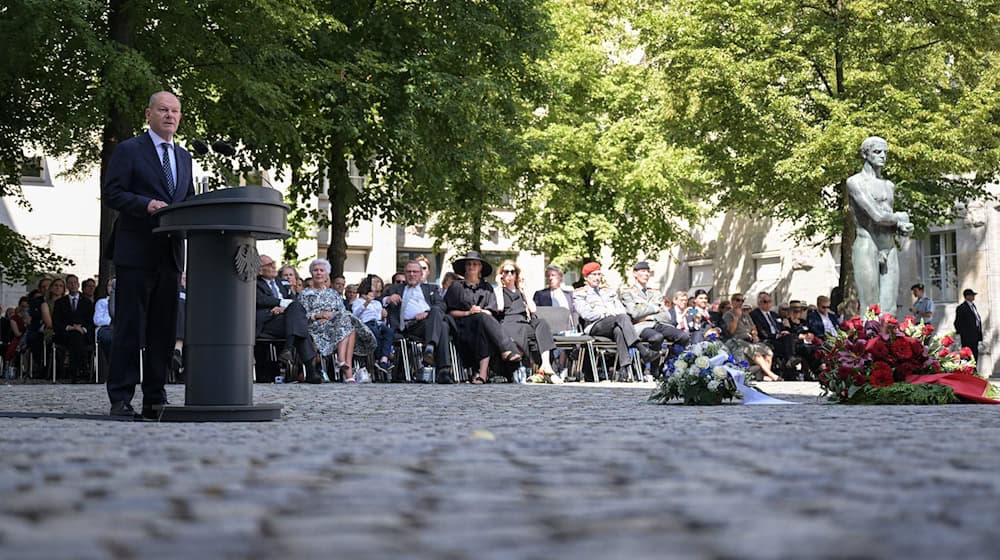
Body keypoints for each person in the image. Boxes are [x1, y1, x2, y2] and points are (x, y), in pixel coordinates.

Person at [102, 91, 195, 418]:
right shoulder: (130, 150)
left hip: (169, 255)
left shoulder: (184, 158)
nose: (170, 115)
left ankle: (155, 396)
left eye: (175, 111)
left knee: (164, 330)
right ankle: (121, 397)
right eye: (163, 110)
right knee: (129, 327)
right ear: (148, 114)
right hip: (135, 252)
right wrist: (145, 204)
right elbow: (112, 192)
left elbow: (189, 203)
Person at [848, 136, 914, 313]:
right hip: (868, 243)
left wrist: (901, 227)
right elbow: (876, 216)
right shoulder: (855, 182)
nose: (883, 156)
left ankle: (892, 341)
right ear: (865, 154)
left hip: (889, 245)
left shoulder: (889, 185)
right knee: (871, 309)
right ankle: (868, 341)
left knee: (889, 309)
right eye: (877, 152)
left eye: (885, 152)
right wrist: (900, 217)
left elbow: (887, 217)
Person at [573, 262, 660, 380]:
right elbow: (586, 314)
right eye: (594, 275)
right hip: (594, 326)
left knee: (619, 330)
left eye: (599, 274)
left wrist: (616, 314)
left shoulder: (608, 292)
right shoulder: (580, 293)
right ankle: (642, 350)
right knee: (622, 319)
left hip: (615, 323)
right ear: (586, 277)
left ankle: (624, 369)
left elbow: (621, 309)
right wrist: (607, 313)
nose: (597, 278)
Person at [445, 251, 522, 384]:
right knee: (481, 320)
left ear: (480, 268)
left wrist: (480, 311)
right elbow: (449, 312)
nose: (471, 267)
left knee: (482, 323)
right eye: (469, 264)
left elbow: (491, 312)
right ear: (464, 267)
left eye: (475, 264)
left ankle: (482, 375)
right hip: (462, 326)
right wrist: (469, 313)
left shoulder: (486, 288)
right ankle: (506, 349)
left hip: (482, 326)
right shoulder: (456, 287)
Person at [299, 259, 374, 383]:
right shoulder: (305, 294)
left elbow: (342, 311)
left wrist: (332, 316)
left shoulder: (333, 294)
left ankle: (342, 362)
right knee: (349, 327)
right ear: (311, 273)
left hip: (335, 325)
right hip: (316, 327)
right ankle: (346, 371)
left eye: (321, 270)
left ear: (326, 274)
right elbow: (301, 315)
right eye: (315, 270)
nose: (318, 273)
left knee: (347, 323)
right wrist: (319, 315)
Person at [383, 261, 453, 382]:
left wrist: (427, 314)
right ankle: (443, 370)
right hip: (409, 326)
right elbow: (377, 299)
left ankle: (430, 347)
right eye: (409, 272)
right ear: (404, 274)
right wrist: (387, 299)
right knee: (443, 326)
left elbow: (442, 305)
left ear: (421, 274)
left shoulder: (431, 288)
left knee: (440, 318)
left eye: (415, 272)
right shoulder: (395, 288)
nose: (412, 274)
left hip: (428, 323)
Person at [256, 255, 321, 384]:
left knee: (296, 313)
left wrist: (286, 307)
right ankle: (310, 370)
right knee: (300, 327)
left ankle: (289, 348)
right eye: (269, 264)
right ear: (260, 269)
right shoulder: (255, 283)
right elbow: (260, 300)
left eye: (274, 263)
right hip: (269, 321)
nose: (274, 266)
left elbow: (294, 304)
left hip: (286, 321)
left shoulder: (282, 284)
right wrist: (281, 303)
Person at [494, 259, 559, 377]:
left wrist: (524, 291)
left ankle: (546, 364)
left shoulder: (520, 291)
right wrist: (499, 286)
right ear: (501, 274)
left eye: (512, 272)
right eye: (506, 272)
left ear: (516, 274)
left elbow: (533, 309)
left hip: (524, 321)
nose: (509, 274)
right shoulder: (499, 291)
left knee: (542, 323)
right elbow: (500, 307)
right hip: (509, 322)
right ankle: (535, 367)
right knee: (527, 333)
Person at [618, 261, 689, 365]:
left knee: (683, 337)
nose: (646, 274)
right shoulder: (627, 292)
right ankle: (651, 369)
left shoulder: (655, 292)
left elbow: (667, 316)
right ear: (635, 274)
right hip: (640, 326)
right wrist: (655, 309)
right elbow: (634, 313)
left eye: (648, 272)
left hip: (657, 323)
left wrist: (649, 317)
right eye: (643, 271)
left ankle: (666, 365)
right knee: (657, 337)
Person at [722, 293, 780, 381]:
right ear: (732, 301)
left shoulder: (746, 315)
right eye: (738, 300)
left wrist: (755, 334)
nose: (740, 302)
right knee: (756, 353)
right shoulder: (728, 314)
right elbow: (731, 331)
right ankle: (772, 375)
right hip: (737, 341)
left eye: (742, 300)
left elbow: (753, 328)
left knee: (768, 352)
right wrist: (736, 318)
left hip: (750, 340)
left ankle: (762, 375)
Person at [52, 274, 96, 382]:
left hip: (83, 334)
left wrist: (83, 329)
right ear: (67, 285)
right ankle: (81, 368)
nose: (73, 285)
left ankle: (74, 370)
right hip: (65, 334)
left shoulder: (87, 303)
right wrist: (69, 327)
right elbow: (56, 322)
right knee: (75, 336)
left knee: (77, 336)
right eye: (70, 283)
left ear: (78, 284)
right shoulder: (59, 303)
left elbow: (91, 322)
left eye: (75, 282)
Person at [354, 275, 393, 375]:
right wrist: (366, 303)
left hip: (378, 323)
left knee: (388, 331)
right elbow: (355, 315)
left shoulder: (377, 303)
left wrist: (384, 317)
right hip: (365, 324)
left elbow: (380, 319)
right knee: (374, 331)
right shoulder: (358, 302)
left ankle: (384, 359)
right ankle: (380, 359)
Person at [954, 288, 983, 364]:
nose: (973, 297)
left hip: (975, 335)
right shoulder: (962, 308)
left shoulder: (973, 306)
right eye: (971, 295)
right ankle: (968, 371)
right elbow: (957, 323)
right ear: (967, 296)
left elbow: (976, 320)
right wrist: (963, 333)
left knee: (975, 354)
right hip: (967, 337)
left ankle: (974, 370)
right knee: (967, 355)